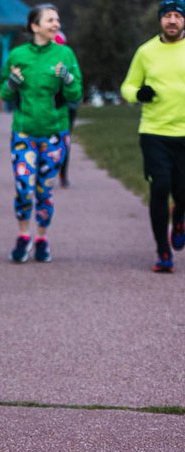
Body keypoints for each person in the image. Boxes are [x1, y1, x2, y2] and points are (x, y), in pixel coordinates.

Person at [0, 3, 82, 264]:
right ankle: (23, 236)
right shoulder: (18, 55)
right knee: (24, 188)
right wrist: (12, 83)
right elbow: (4, 93)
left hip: (54, 134)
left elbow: (76, 94)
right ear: (35, 26)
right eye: (50, 20)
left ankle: (42, 239)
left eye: (57, 20)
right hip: (24, 133)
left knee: (44, 191)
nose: (56, 24)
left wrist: (67, 79)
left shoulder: (65, 55)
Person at [120, 0, 185, 273]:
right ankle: (163, 251)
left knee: (182, 193)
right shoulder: (146, 52)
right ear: (160, 20)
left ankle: (179, 217)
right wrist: (138, 94)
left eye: (177, 16)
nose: (172, 20)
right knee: (159, 188)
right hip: (154, 132)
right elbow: (128, 86)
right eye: (167, 16)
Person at [53, 31, 79, 189]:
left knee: (64, 140)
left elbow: (75, 84)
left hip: (67, 107)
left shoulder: (68, 61)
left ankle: (63, 174)